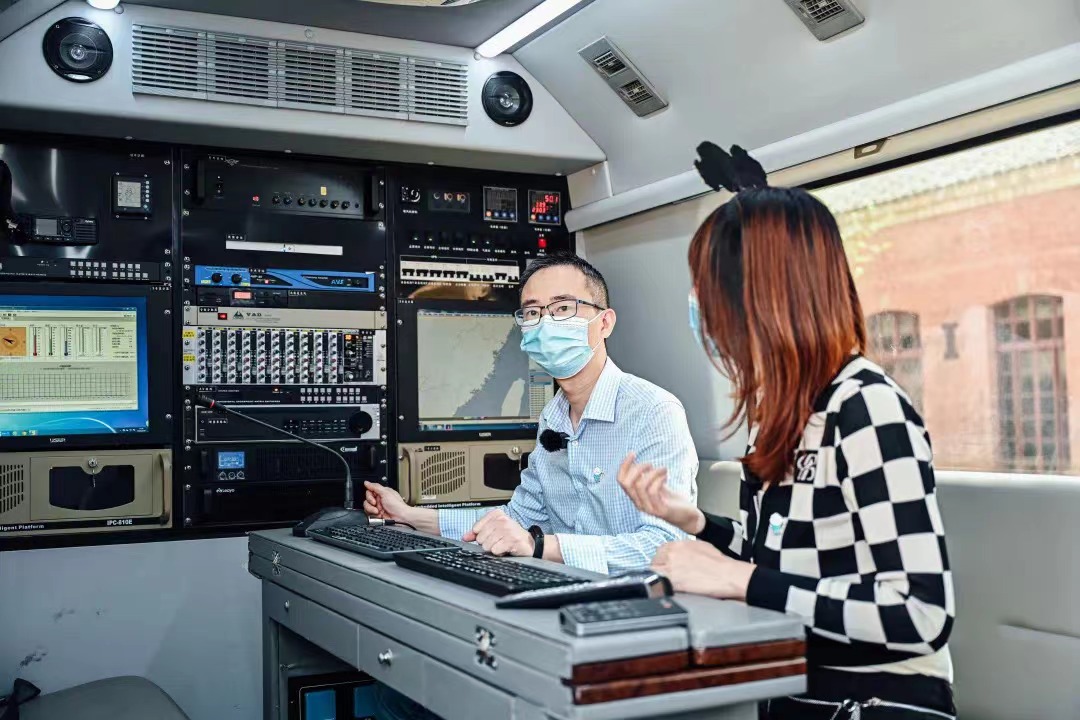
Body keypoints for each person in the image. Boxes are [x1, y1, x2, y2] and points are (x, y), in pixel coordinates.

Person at [619, 143, 956, 720]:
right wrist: (695, 523)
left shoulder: (867, 407)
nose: (699, 305)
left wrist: (740, 580)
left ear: (762, 296)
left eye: (708, 288)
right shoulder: (784, 414)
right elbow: (782, 561)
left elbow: (920, 614)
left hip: (874, 701)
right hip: (794, 690)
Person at [365, 252, 699, 575]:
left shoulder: (653, 412)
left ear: (605, 323)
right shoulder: (554, 416)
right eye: (533, 312)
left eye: (563, 308)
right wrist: (410, 516)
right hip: (563, 587)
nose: (546, 323)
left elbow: (665, 546)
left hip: (633, 600)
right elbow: (518, 518)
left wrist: (538, 546)